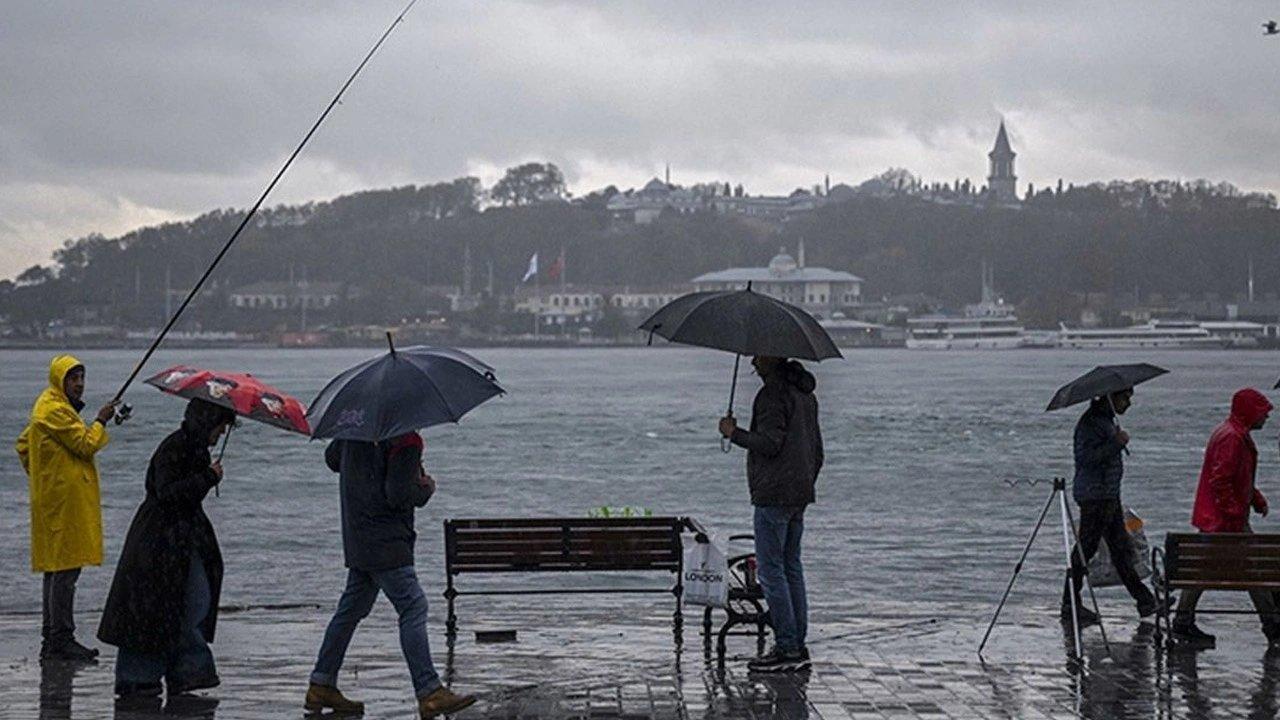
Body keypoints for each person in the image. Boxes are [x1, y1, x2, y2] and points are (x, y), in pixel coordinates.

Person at [305, 432, 476, 719]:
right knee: (413, 606)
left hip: (358, 536)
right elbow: (398, 494)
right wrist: (424, 488)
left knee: (350, 611)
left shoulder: (354, 431)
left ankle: (321, 682)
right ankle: (429, 690)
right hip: (388, 541)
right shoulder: (405, 439)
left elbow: (332, 459)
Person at [97, 398, 236, 698]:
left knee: (181, 605)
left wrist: (206, 477)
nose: (222, 433)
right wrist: (208, 478)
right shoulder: (176, 448)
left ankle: (176, 674)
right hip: (160, 543)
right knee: (177, 607)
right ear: (207, 421)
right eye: (220, 426)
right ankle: (164, 675)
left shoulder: (191, 448)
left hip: (174, 541)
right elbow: (168, 493)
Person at [718, 356, 823, 673]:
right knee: (791, 567)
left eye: (759, 356)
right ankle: (796, 643)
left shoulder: (772, 396)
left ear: (771, 359)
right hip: (799, 491)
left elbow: (770, 444)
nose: (753, 361)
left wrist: (733, 433)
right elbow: (816, 449)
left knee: (771, 570)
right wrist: (806, 481)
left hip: (774, 493)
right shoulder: (805, 395)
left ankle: (788, 647)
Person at [16, 354, 118, 662]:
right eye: (73, 379)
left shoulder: (49, 407)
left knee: (56, 567)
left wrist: (46, 475)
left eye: (82, 378)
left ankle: (52, 637)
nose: (79, 385)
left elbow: (23, 445)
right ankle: (61, 638)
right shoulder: (55, 410)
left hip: (56, 500)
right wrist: (101, 420)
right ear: (60, 380)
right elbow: (86, 444)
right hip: (62, 504)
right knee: (65, 569)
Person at [1172, 388, 1280, 647]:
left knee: (1201, 571)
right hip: (1225, 522)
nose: (1266, 418)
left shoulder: (1232, 433)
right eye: (1263, 413)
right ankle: (1273, 626)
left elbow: (1235, 477)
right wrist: (1234, 511)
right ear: (1250, 412)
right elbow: (1221, 480)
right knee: (1256, 573)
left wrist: (1254, 498)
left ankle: (1183, 621)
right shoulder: (1232, 438)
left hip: (1217, 520)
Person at [1063, 388, 1159, 625]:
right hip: (1095, 497)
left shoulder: (1104, 421)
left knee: (1120, 548)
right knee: (1087, 549)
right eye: (1125, 398)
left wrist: (1115, 440)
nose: (1129, 403)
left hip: (1107, 495)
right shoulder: (1091, 424)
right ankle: (1069, 604)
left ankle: (1145, 601)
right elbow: (1086, 459)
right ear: (1110, 398)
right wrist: (1116, 443)